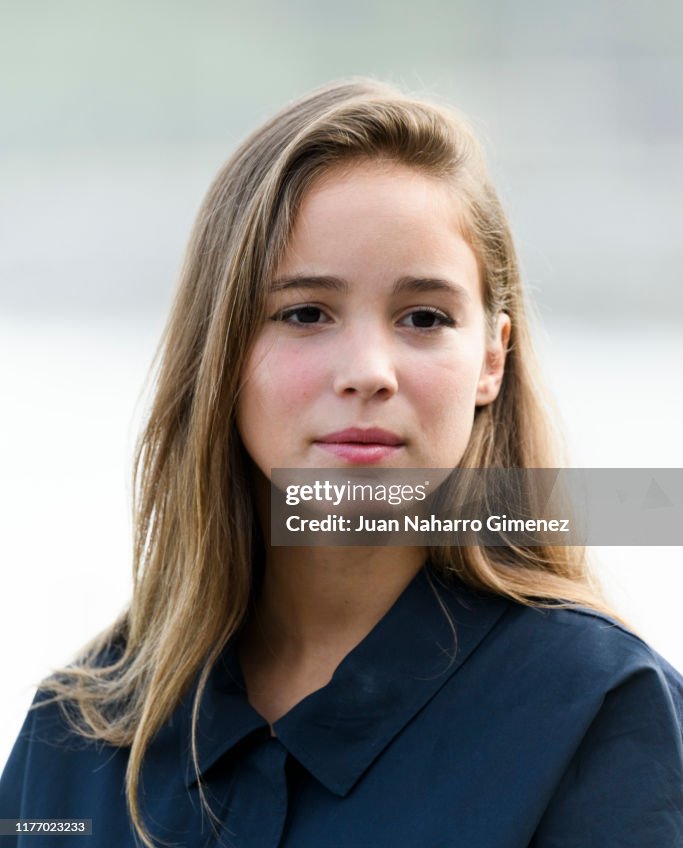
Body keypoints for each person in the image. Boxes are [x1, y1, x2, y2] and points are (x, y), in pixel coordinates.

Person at [1, 79, 682, 847]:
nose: (368, 371)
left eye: (423, 317)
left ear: (491, 358)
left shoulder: (598, 712)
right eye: (304, 314)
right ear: (219, 350)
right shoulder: (76, 729)